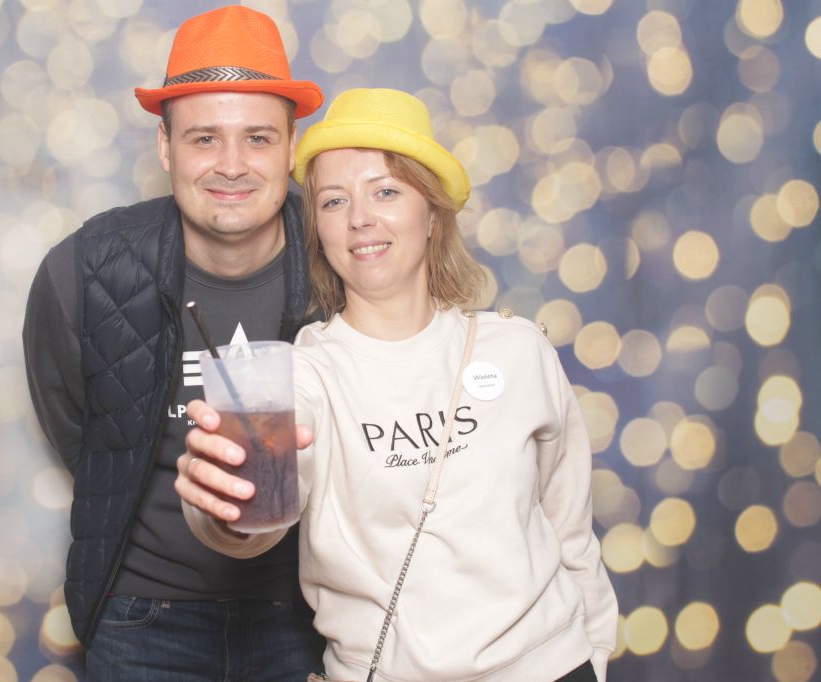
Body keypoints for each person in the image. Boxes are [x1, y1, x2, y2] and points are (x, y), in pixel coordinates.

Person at [176, 88, 619, 681]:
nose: (360, 218)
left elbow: (571, 531)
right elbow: (256, 519)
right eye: (334, 201)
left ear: (432, 214)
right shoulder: (302, 376)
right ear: (319, 230)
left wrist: (595, 655)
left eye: (385, 191)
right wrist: (222, 501)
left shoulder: (518, 350)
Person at [22, 6, 327, 679]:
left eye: (257, 138)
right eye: (204, 139)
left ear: (291, 147)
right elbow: (81, 436)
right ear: (165, 148)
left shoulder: (344, 259)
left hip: (309, 612)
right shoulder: (84, 272)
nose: (232, 166)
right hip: (140, 619)